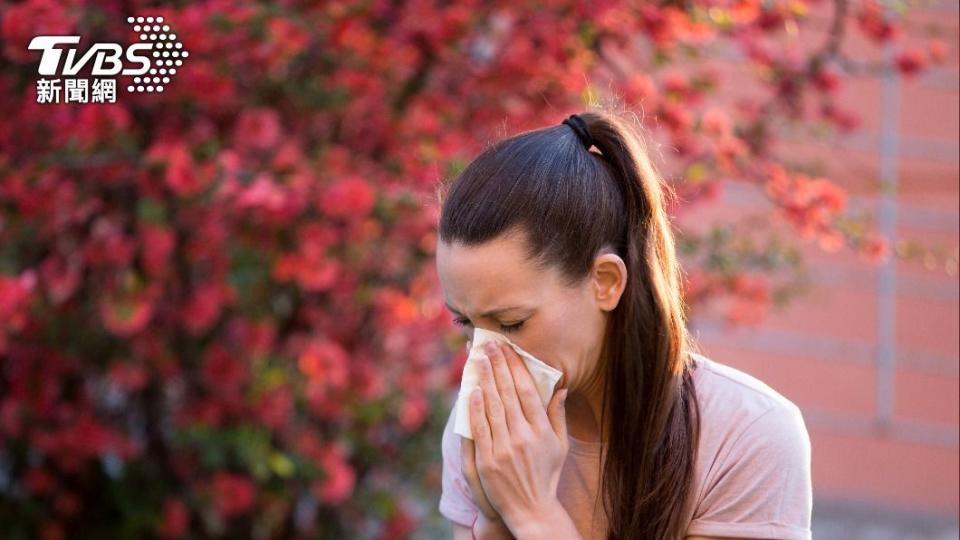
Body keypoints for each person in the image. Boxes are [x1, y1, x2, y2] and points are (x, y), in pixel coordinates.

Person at [434, 108, 813, 540]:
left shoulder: (746, 436)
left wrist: (533, 512)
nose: (486, 354)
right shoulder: (491, 433)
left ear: (606, 282)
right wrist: (495, 517)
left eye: (512, 322)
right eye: (466, 321)